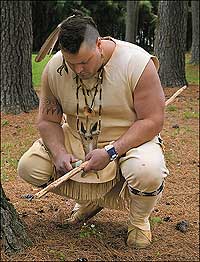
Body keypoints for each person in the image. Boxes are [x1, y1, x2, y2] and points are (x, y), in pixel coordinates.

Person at [18, 11, 169, 249]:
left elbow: (152, 120)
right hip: (79, 139)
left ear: (99, 44)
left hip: (131, 141)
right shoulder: (56, 68)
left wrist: (110, 152)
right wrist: (58, 152)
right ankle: (89, 199)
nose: (78, 70)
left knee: (147, 171)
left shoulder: (137, 63)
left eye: (84, 62)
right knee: (30, 167)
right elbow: (48, 121)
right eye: (71, 63)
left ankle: (139, 221)